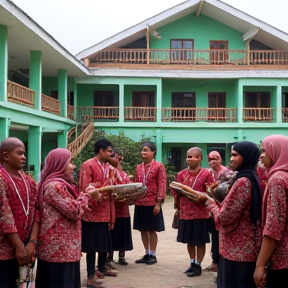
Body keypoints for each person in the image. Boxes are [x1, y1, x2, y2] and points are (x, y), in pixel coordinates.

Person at [36, 148, 100, 288]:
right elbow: (74, 211)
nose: (73, 166)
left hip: (64, 249)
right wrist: (87, 196)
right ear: (59, 164)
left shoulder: (61, 185)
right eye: (70, 162)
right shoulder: (55, 186)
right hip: (58, 251)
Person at [205, 141, 262, 288]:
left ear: (247, 157)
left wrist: (211, 204)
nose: (231, 158)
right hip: (244, 248)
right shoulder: (250, 176)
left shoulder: (243, 181)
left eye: (235, 155)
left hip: (237, 251)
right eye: (230, 155)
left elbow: (225, 217)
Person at [78, 139, 118, 287]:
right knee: (91, 246)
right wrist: (101, 191)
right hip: (91, 214)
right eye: (109, 151)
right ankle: (90, 276)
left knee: (103, 241)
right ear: (101, 150)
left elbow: (113, 184)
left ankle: (101, 268)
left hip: (105, 211)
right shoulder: (87, 165)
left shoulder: (108, 166)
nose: (111, 154)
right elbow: (84, 188)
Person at [0, 137, 39, 288]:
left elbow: (37, 210)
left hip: (26, 247)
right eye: (19, 153)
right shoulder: (2, 179)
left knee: (24, 283)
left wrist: (32, 242)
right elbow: (4, 215)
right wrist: (19, 246)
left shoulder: (28, 180)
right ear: (5, 156)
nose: (24, 157)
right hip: (5, 249)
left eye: (24, 153)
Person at [170, 147, 213, 277]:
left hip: (200, 214)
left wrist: (202, 196)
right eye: (188, 156)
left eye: (192, 156)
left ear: (200, 158)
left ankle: (198, 265)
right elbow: (176, 191)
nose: (189, 159)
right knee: (189, 240)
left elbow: (211, 192)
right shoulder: (181, 174)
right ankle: (192, 262)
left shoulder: (206, 174)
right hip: (186, 212)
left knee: (199, 241)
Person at [254, 135, 288, 288]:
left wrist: (260, 265)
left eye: (265, 150)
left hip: (282, 260)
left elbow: (274, 226)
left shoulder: (278, 180)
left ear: (276, 152)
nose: (262, 155)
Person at [133, 142, 166, 265]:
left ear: (153, 152)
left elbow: (162, 184)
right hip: (140, 202)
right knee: (142, 229)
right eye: (142, 150)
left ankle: (153, 254)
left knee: (152, 230)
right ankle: (146, 253)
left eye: (146, 150)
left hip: (152, 203)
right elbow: (135, 184)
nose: (143, 152)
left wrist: (158, 203)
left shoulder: (159, 166)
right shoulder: (138, 167)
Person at [106, 151, 133, 267]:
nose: (118, 160)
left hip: (124, 209)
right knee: (112, 233)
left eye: (119, 158)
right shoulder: (108, 172)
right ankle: (109, 257)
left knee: (123, 232)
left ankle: (121, 256)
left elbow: (129, 185)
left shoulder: (124, 174)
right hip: (113, 209)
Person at [206, 151, 228, 273]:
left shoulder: (226, 173)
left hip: (221, 209)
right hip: (211, 210)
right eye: (210, 159)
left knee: (220, 237)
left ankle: (220, 263)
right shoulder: (208, 173)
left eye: (216, 159)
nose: (213, 161)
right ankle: (214, 261)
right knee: (213, 236)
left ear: (220, 159)